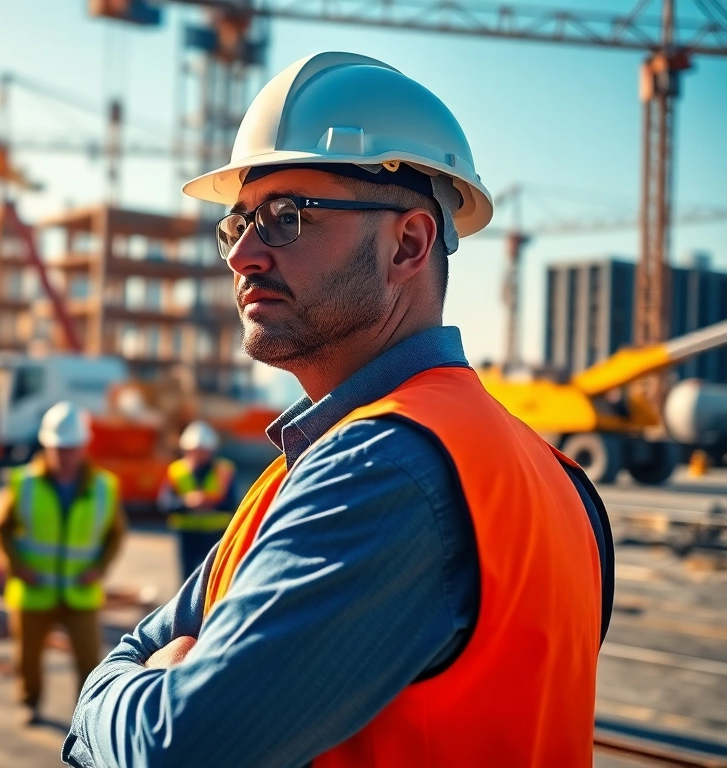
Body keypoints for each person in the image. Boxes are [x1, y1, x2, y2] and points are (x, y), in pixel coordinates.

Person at [64, 52, 614, 767]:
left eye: (285, 217)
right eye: (236, 225)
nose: (242, 256)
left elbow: (174, 749)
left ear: (409, 244)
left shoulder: (383, 468)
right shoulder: (553, 478)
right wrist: (147, 683)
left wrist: (101, 694)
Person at [0, 401, 127, 727]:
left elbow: (115, 534)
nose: (64, 455)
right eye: (58, 448)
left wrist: (99, 568)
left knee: (88, 660)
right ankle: (29, 702)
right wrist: (16, 566)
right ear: (46, 446)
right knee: (27, 656)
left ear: (83, 447)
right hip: (34, 589)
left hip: (80, 591)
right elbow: (1, 530)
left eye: (70, 448)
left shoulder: (103, 487)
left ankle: (86, 719)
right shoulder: (23, 482)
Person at [156, 421, 237, 581]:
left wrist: (208, 503)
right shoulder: (177, 471)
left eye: (202, 451)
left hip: (215, 534)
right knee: (187, 579)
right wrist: (186, 503)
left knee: (213, 579)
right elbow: (165, 504)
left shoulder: (224, 470)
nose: (198, 455)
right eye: (194, 451)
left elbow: (232, 504)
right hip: (186, 534)